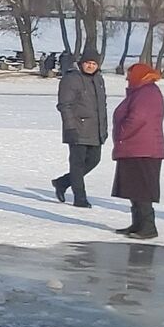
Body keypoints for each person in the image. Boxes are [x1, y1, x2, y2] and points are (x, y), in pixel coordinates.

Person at [111, 61, 164, 240]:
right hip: (136, 147)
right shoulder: (141, 92)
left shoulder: (147, 93)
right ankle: (138, 224)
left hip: (143, 149)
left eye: (130, 74)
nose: (127, 78)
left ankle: (148, 227)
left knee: (142, 189)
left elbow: (138, 118)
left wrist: (122, 132)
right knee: (134, 188)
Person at [53, 50, 109, 208]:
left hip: (95, 128)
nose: (90, 66)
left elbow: (102, 106)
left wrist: (103, 128)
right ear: (81, 63)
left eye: (94, 64)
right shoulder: (71, 79)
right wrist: (70, 126)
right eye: (88, 63)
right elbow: (65, 105)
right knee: (77, 163)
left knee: (94, 160)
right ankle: (80, 198)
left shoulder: (99, 79)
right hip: (77, 127)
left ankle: (62, 182)